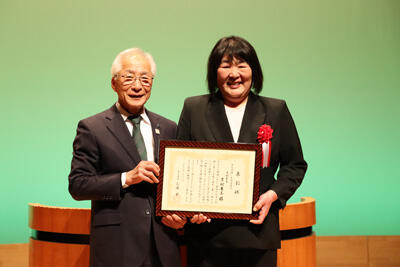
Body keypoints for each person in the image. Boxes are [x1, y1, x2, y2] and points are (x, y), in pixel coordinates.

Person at [177, 36, 307, 267]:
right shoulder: (194, 108)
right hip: (206, 237)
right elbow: (179, 167)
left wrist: (273, 195)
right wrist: (187, 208)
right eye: (226, 66)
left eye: (242, 66)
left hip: (258, 235)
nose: (234, 74)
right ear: (214, 73)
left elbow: (294, 165)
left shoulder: (276, 110)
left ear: (253, 72)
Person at [69, 48, 186, 267]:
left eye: (145, 79)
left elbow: (176, 186)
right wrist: (126, 178)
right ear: (113, 83)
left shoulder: (169, 128)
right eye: (129, 77)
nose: (137, 86)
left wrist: (181, 217)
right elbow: (78, 185)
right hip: (117, 248)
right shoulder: (93, 128)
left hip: (163, 247)